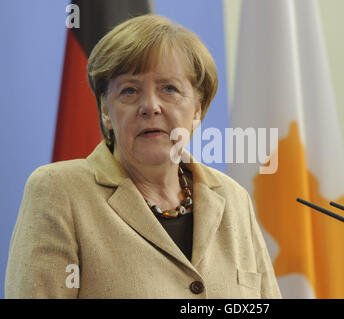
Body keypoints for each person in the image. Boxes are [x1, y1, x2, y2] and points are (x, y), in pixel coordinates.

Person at [5, 14, 281, 299]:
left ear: (197, 109)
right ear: (105, 111)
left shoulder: (233, 199)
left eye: (169, 89)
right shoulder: (60, 191)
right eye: (130, 91)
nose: (150, 106)